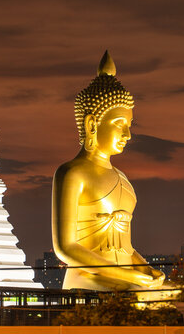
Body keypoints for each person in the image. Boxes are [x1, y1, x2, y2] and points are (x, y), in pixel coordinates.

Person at [52, 51, 165, 291]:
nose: (128, 134)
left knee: (176, 296)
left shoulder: (122, 178)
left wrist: (144, 268)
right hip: (88, 279)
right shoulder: (72, 172)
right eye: (119, 124)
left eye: (130, 125)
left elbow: (126, 246)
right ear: (92, 124)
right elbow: (66, 248)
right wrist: (131, 278)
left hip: (125, 277)